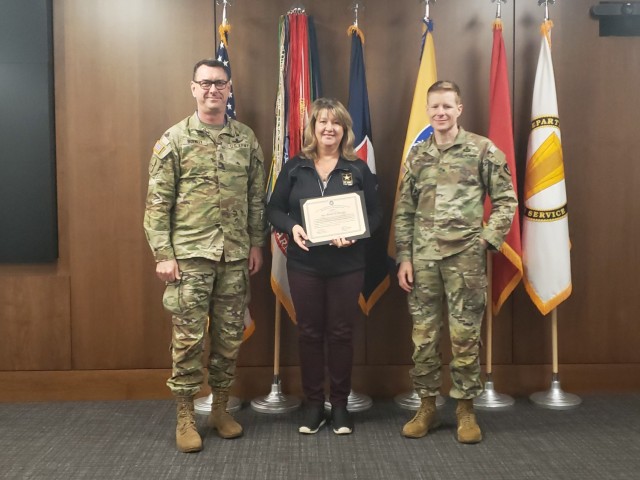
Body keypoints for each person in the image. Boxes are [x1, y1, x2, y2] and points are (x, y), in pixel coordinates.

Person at [143, 59, 266, 452]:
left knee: (229, 338)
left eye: (220, 84)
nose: (213, 90)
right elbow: (157, 203)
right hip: (190, 258)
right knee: (189, 339)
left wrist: (255, 242)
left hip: (233, 257)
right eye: (206, 83)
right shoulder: (174, 140)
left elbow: (255, 198)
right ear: (192, 88)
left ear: (229, 90)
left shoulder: (245, 139)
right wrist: (163, 253)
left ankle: (220, 408)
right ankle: (184, 415)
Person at [394, 81, 517, 444]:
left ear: (459, 109)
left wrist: (486, 240)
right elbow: (405, 210)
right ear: (429, 111)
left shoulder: (482, 150)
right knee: (424, 337)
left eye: (447, 106)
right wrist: (404, 256)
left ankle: (465, 410)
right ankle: (427, 407)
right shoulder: (417, 156)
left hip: (465, 259)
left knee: (465, 337)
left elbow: (507, 200)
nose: (440, 113)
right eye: (435, 107)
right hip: (423, 260)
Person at [266, 98, 382, 435]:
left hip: (347, 265)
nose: (328, 128)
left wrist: (357, 232)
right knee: (309, 333)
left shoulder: (357, 168)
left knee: (342, 334)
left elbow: (376, 214)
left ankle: (341, 405)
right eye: (322, 122)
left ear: (344, 129)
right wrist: (293, 228)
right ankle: (315, 404)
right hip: (305, 265)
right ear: (312, 128)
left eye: (335, 123)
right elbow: (273, 210)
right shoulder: (294, 167)